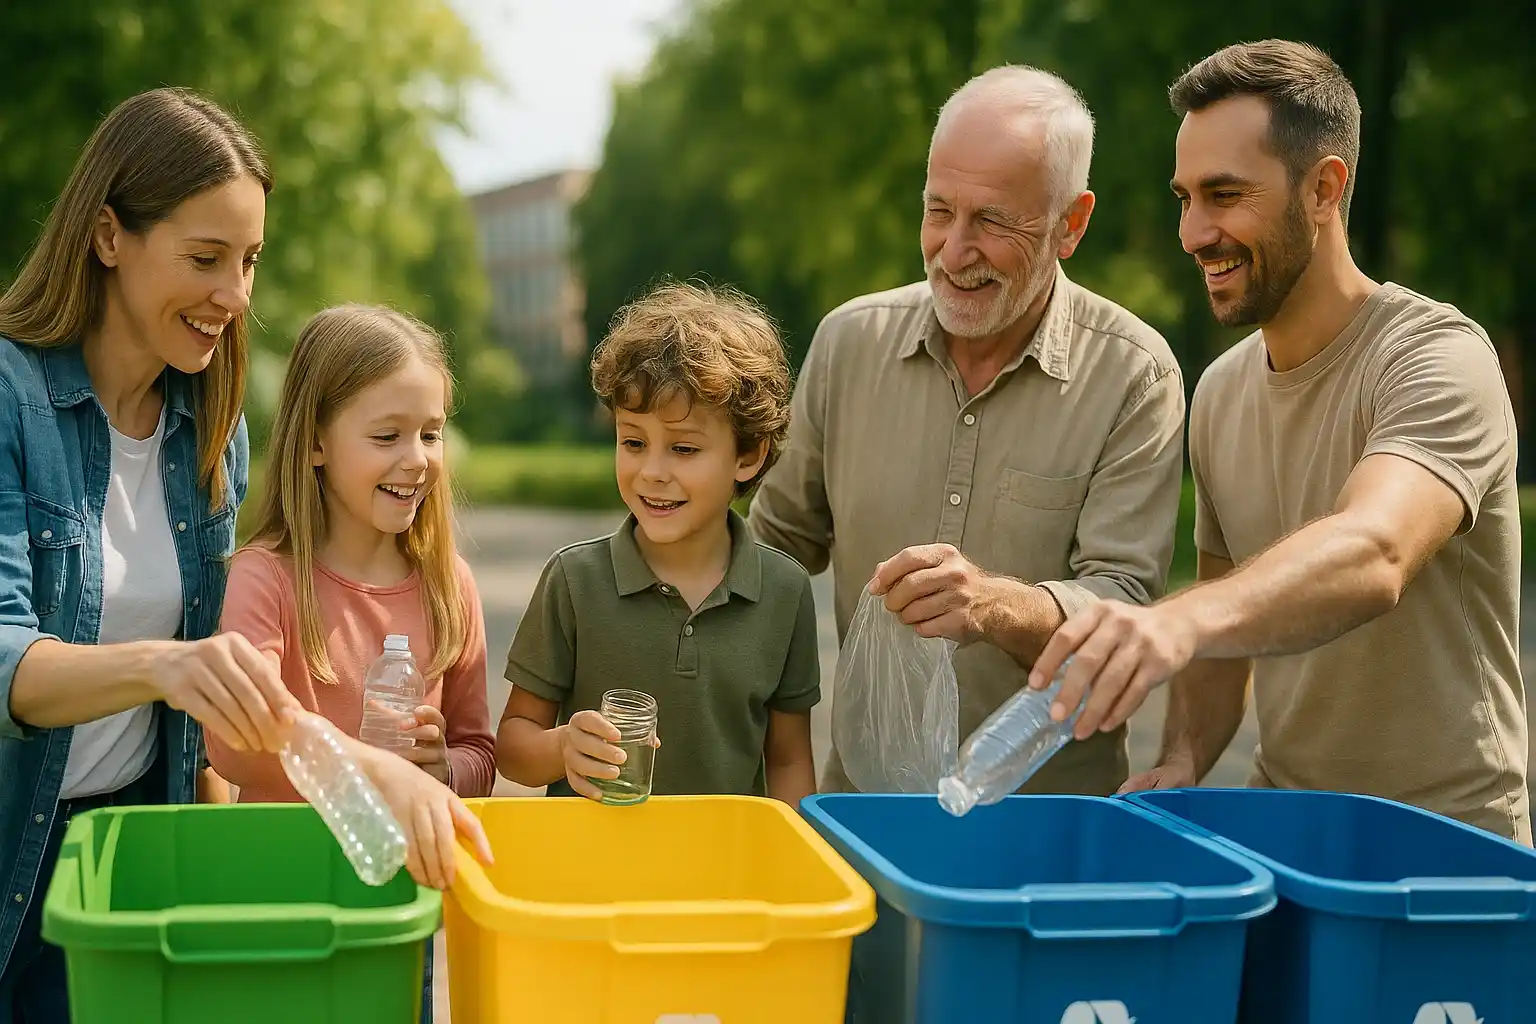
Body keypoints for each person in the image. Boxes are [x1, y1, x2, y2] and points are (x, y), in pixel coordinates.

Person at [1029, 40, 1530, 844]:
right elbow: (1233, 631)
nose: (1194, 233)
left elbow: (1375, 550)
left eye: (1225, 195)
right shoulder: (1221, 393)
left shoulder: (1437, 358)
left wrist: (1176, 621)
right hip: (1285, 834)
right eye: (1185, 198)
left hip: (1449, 854)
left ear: (1325, 188)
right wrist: (1186, 755)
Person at [748, 65, 1186, 796]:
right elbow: (772, 552)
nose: (953, 253)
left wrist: (991, 605)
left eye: (991, 221)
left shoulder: (1134, 376)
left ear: (1070, 224)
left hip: (1047, 822)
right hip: (866, 813)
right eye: (939, 211)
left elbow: (1123, 607)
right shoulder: (847, 345)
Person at [209, 304, 500, 1021]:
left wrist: (440, 773)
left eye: (431, 433)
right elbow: (232, 748)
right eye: (386, 436)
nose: (418, 459)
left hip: (396, 912)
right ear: (314, 444)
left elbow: (480, 755)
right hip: (277, 901)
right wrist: (369, 769)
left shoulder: (447, 583)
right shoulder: (265, 578)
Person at [497, 281, 820, 806]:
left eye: (684, 448)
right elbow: (513, 748)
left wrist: (799, 866)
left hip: (724, 880)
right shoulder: (574, 580)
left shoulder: (785, 592)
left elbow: (787, 759)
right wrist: (564, 748)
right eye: (633, 442)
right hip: (591, 880)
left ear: (749, 455)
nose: (651, 472)